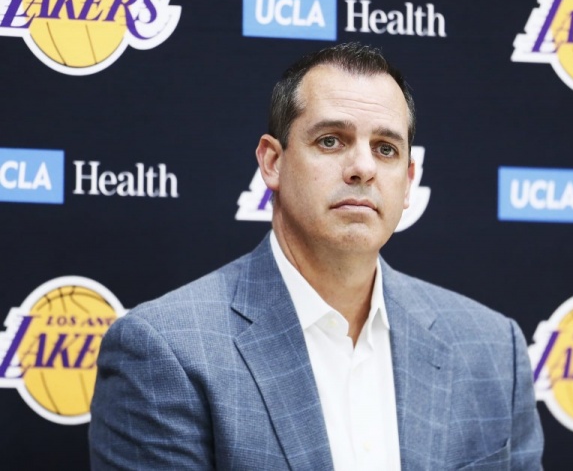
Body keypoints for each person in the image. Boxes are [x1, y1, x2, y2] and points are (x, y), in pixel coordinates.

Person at [88, 42, 544, 470]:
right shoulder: (165, 350)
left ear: (408, 181)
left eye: (385, 149)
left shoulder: (492, 350)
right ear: (272, 162)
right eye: (331, 140)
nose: (363, 167)